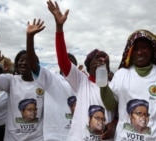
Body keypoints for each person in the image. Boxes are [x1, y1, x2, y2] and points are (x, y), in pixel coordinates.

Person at [46, 1, 117, 140]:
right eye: (95, 60)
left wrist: (114, 124)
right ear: (88, 66)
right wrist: (59, 27)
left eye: (103, 61)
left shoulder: (114, 86)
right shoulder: (82, 82)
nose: (99, 62)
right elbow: (63, 61)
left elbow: (120, 114)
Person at [0, 18, 46, 141]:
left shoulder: (44, 83)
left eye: (28, 60)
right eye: (20, 60)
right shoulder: (11, 80)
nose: (23, 63)